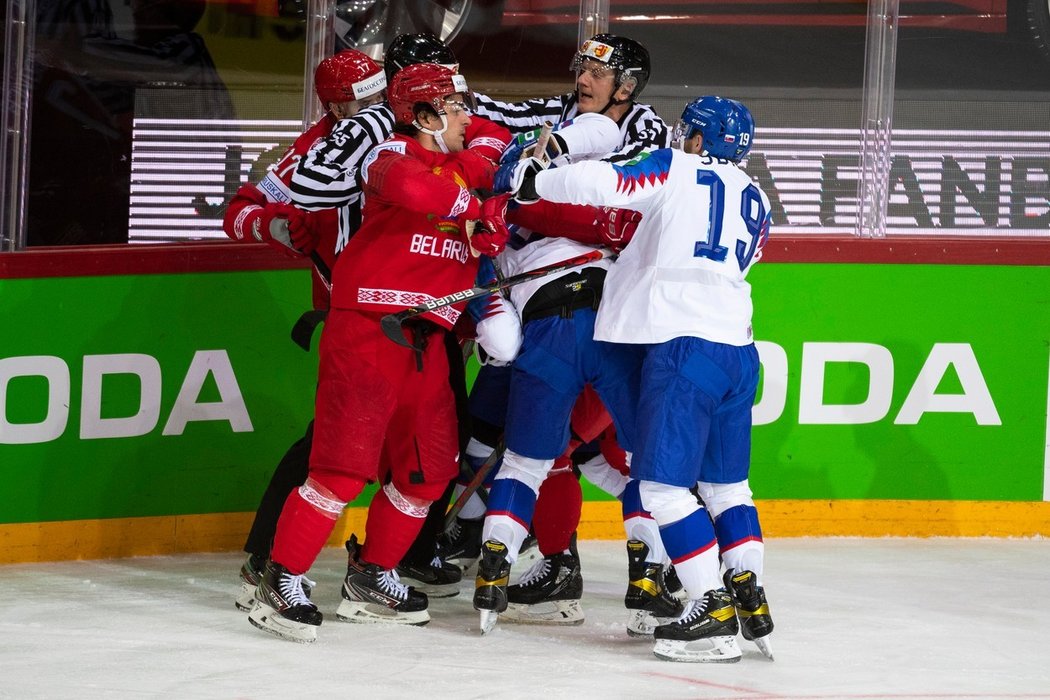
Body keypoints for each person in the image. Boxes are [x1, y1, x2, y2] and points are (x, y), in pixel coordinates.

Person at [504, 95, 775, 662]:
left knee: (663, 488)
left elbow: (608, 183)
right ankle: (748, 591)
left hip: (683, 346)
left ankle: (711, 609)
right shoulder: (758, 197)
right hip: (739, 349)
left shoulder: (676, 168)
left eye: (688, 134)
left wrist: (535, 179)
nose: (682, 140)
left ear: (699, 140)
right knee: (727, 487)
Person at [247, 62, 511, 643]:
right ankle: (280, 577)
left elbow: (499, 159)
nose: (469, 116)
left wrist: (498, 206)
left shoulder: (467, 165)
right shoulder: (387, 155)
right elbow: (415, 190)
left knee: (430, 469)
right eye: (456, 106)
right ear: (424, 116)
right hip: (368, 328)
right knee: (342, 467)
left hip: (427, 338)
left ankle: (372, 576)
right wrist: (477, 212)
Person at [447, 33, 675, 629]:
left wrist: (522, 203)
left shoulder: (651, 137)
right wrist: (459, 96)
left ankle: (633, 569)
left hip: (622, 317)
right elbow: (506, 121)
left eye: (596, 73)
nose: (582, 79)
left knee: (581, 456)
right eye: (581, 68)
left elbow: (619, 218)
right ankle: (601, 567)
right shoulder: (564, 115)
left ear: (626, 86)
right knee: (582, 455)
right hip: (576, 317)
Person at [222, 48, 390, 613]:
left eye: (379, 91)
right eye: (359, 99)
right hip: (356, 318)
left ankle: (407, 556)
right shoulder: (306, 155)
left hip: (417, 313)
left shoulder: (413, 128)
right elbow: (239, 212)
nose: (374, 105)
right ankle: (269, 558)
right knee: (332, 444)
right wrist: (271, 222)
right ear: (334, 105)